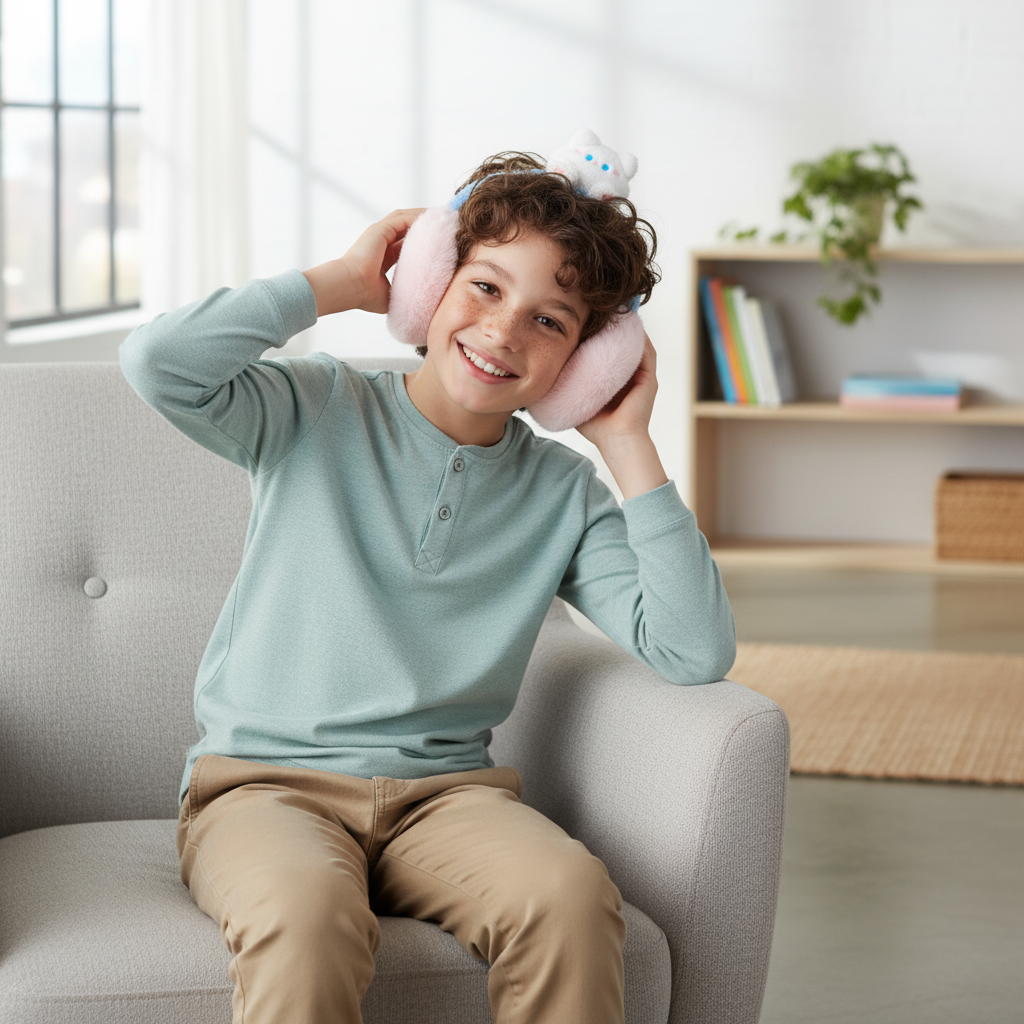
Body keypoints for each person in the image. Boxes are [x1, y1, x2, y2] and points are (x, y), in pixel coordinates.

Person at [119, 150, 735, 1024]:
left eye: (550, 322)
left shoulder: (563, 493)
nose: (504, 332)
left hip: (446, 800)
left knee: (568, 897)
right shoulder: (313, 408)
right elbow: (159, 362)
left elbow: (692, 648)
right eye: (484, 288)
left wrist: (629, 443)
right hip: (262, 789)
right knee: (307, 920)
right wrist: (337, 281)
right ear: (429, 286)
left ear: (582, 368)